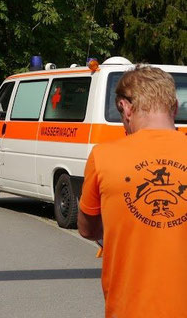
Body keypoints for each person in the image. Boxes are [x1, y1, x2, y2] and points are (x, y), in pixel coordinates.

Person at [78, 65, 186, 318]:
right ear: (175, 108)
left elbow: (87, 228)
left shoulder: (103, 156)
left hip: (130, 309)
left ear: (125, 108)